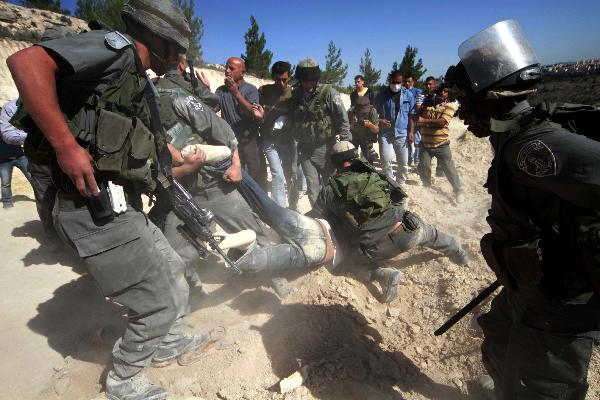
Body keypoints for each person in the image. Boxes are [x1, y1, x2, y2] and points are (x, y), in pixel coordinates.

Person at [7, 2, 213, 399]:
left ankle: (168, 344)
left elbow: (120, 128)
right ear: (155, 36)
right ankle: (124, 379)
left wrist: (168, 152)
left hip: (122, 204)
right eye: (175, 46)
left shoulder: (133, 76)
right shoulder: (115, 49)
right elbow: (26, 63)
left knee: (173, 271)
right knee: (155, 302)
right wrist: (65, 145)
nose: (179, 56)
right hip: (93, 208)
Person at [445, 19, 600, 399]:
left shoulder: (532, 145)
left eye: (464, 101)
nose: (459, 112)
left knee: (541, 386)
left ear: (491, 96)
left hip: (559, 299)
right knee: (497, 339)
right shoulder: (511, 135)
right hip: (526, 288)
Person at [309, 141, 469, 302]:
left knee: (346, 266)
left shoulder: (330, 190)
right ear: (354, 156)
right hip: (408, 233)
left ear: (335, 162)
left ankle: (383, 275)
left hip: (375, 248)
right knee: (431, 234)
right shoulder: (374, 174)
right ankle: (459, 254)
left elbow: (317, 217)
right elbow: (401, 197)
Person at [288, 58, 351, 205]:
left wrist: (345, 149)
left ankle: (335, 218)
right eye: (304, 80)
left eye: (311, 80)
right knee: (312, 188)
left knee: (331, 186)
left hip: (326, 149)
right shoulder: (295, 95)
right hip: (305, 149)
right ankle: (320, 219)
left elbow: (343, 120)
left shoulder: (329, 93)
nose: (307, 83)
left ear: (316, 79)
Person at [216, 57, 268, 191]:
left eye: (231, 68)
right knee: (235, 177)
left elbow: (253, 112)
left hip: (249, 141)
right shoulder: (221, 91)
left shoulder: (250, 90)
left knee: (255, 175)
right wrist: (204, 91)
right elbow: (212, 109)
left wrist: (236, 93)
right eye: (226, 67)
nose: (227, 71)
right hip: (231, 142)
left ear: (242, 73)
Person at [258, 61, 301, 208]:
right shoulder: (263, 91)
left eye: (284, 79)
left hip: (288, 141)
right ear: (273, 77)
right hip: (269, 140)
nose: (281, 83)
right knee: (277, 173)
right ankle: (280, 210)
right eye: (278, 79)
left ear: (289, 77)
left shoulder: (294, 94)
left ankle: (293, 205)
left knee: (290, 175)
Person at [416, 83, 465, 203]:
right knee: (424, 166)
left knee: (448, 167)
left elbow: (442, 122)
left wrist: (424, 121)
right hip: (425, 144)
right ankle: (427, 186)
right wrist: (420, 106)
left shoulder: (450, 106)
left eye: (445, 91)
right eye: (441, 91)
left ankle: (458, 191)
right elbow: (417, 117)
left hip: (441, 144)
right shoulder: (427, 104)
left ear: (449, 94)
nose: (442, 93)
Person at [375, 70, 416, 185]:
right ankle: (390, 183)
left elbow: (412, 115)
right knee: (385, 160)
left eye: (398, 82)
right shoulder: (381, 95)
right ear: (390, 81)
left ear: (402, 82)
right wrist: (380, 120)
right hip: (385, 133)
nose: (396, 85)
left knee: (403, 162)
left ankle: (401, 183)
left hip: (402, 133)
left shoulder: (409, 95)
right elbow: (373, 114)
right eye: (393, 82)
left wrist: (411, 131)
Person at [0, 100, 33, 208]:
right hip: (4, 160)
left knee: (32, 177)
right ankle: (7, 203)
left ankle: (41, 197)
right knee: (5, 183)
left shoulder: (11, 125)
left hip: (20, 156)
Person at [348, 96, 379, 162]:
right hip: (354, 136)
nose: (363, 114)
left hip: (367, 138)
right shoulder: (351, 111)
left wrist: (370, 125)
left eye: (365, 112)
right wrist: (352, 123)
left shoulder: (372, 111)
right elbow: (345, 128)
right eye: (361, 112)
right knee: (351, 158)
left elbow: (376, 130)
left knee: (368, 159)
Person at [404, 74, 423, 167]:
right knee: (407, 142)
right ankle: (409, 159)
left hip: (416, 120)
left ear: (413, 82)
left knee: (417, 142)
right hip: (406, 121)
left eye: (409, 81)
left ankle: (417, 160)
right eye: (406, 81)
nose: (407, 83)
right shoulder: (402, 92)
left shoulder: (418, 92)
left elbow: (420, 107)